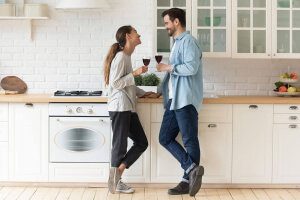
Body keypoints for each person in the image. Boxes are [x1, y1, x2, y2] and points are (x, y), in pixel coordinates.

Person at [155, 8, 204, 196]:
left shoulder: (189, 42)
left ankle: (186, 181)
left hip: (185, 100)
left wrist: (168, 67)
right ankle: (191, 168)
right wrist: (160, 92)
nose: (165, 26)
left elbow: (191, 68)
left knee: (190, 140)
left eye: (167, 22)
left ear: (176, 22)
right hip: (173, 101)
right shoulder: (176, 43)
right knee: (164, 138)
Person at [104, 25, 157, 194]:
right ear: (128, 36)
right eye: (136, 32)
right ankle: (116, 181)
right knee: (119, 146)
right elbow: (115, 83)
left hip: (127, 106)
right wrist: (134, 73)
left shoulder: (126, 56)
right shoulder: (121, 57)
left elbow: (127, 85)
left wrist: (144, 93)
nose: (139, 34)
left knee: (141, 142)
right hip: (120, 107)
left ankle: (117, 176)